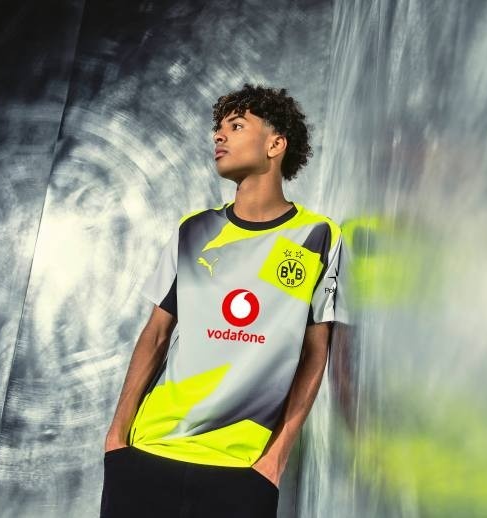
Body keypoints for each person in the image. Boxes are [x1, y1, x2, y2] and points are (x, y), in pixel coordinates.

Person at [101, 84, 349, 518]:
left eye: (236, 126)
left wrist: (275, 460)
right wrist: (116, 437)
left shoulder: (317, 235)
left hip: (241, 470)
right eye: (218, 128)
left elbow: (315, 353)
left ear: (275, 144)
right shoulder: (193, 230)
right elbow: (156, 334)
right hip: (148, 451)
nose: (219, 135)